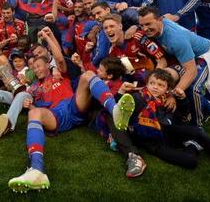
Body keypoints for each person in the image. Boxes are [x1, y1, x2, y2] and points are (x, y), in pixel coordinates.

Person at [7, 27, 135, 192]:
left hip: (74, 105)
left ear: (48, 65)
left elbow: (59, 58)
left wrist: (49, 36)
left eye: (39, 65)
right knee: (34, 112)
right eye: (34, 68)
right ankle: (37, 169)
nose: (37, 69)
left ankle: (115, 110)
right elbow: (36, 111)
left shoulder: (58, 74)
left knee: (88, 75)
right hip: (57, 116)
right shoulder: (34, 88)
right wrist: (29, 105)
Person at [112, 69, 210, 178]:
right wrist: (121, 92)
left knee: (197, 131)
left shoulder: (167, 100)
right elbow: (120, 110)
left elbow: (183, 114)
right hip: (153, 143)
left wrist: (182, 99)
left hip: (168, 131)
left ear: (167, 89)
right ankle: (192, 145)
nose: (155, 87)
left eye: (160, 85)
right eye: (152, 83)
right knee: (191, 162)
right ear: (146, 83)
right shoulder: (137, 97)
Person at [138, 6, 210, 126]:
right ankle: (209, 107)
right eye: (141, 25)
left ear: (159, 20)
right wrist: (133, 28)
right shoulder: (159, 24)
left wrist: (172, 95)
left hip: (206, 54)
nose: (144, 29)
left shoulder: (175, 40)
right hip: (189, 54)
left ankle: (196, 124)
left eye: (148, 24)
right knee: (178, 83)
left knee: (193, 88)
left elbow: (191, 71)